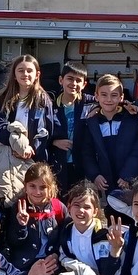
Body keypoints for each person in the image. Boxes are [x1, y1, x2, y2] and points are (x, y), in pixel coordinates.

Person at [75, 74, 138, 197]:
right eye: (104, 95)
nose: (109, 99)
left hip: (129, 180)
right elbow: (87, 153)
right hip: (105, 180)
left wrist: (127, 175)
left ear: (121, 97)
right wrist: (95, 175)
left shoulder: (131, 119)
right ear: (96, 96)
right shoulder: (92, 122)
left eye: (114, 95)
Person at [48, 180, 118, 275]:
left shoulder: (103, 236)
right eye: (76, 205)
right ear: (69, 208)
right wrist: (77, 267)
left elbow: (109, 269)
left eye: (87, 207)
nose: (81, 210)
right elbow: (63, 256)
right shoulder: (66, 232)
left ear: (95, 212)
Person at [0, 162, 64, 273]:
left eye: (43, 187)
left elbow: (66, 236)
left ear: (51, 187)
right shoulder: (19, 207)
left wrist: (57, 254)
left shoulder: (58, 207)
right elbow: (12, 242)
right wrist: (21, 226)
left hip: (51, 265)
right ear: (25, 186)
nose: (37, 192)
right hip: (24, 266)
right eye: (32, 186)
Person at [0, 54, 55, 164]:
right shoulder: (4, 98)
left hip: (33, 156)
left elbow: (46, 130)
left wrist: (31, 150)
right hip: (9, 154)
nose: (25, 74)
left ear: (37, 75)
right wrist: (18, 147)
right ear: (14, 74)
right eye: (21, 70)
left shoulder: (43, 100)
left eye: (29, 71)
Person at [49, 63, 91, 191]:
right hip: (57, 165)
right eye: (70, 78)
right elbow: (39, 132)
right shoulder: (49, 105)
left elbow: (111, 101)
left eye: (78, 80)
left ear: (84, 84)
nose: (74, 83)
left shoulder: (90, 102)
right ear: (61, 80)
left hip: (81, 166)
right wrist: (54, 142)